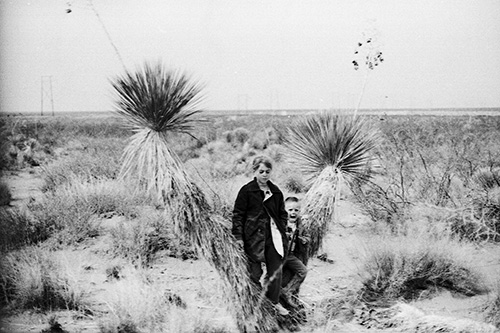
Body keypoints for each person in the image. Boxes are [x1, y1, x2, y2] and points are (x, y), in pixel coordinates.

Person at [232, 155, 290, 316]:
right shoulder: (247, 190)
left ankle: (274, 302)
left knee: (276, 270)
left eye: (267, 171)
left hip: (273, 236)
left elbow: (282, 213)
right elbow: (238, 214)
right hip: (253, 237)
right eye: (261, 171)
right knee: (254, 272)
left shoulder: (276, 191)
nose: (265, 174)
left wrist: (282, 227)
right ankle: (253, 301)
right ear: (255, 171)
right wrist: (238, 237)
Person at [281, 196, 309, 306]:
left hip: (291, 255)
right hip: (279, 255)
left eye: (296, 210)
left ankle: (288, 291)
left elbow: (307, 237)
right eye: (290, 210)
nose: (293, 212)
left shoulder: (300, 225)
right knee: (273, 276)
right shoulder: (280, 222)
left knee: (303, 271)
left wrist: (302, 240)